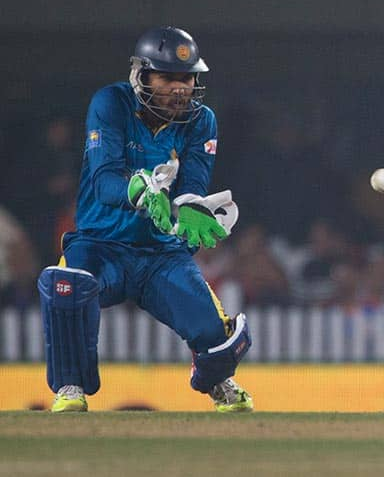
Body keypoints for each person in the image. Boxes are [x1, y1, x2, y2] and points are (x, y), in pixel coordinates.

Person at [38, 26, 252, 413]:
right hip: (101, 244)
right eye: (168, 77)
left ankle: (215, 379)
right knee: (67, 284)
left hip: (160, 254)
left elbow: (192, 187)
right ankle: (70, 386)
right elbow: (104, 182)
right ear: (142, 75)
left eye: (187, 78)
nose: (180, 87)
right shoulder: (111, 103)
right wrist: (138, 191)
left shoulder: (202, 122)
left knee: (217, 337)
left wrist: (189, 210)